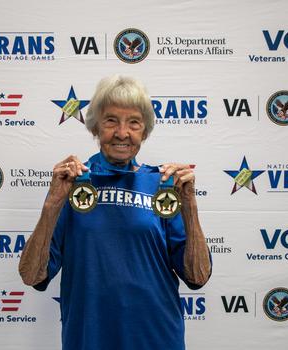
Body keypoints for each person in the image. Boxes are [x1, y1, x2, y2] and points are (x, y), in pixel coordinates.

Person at [19, 75, 211, 350]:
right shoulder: (73, 185)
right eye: (111, 121)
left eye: (134, 122)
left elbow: (198, 276)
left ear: (144, 131)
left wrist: (189, 205)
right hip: (89, 338)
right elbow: (31, 275)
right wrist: (52, 204)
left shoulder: (162, 186)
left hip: (156, 338)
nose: (122, 133)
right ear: (95, 127)